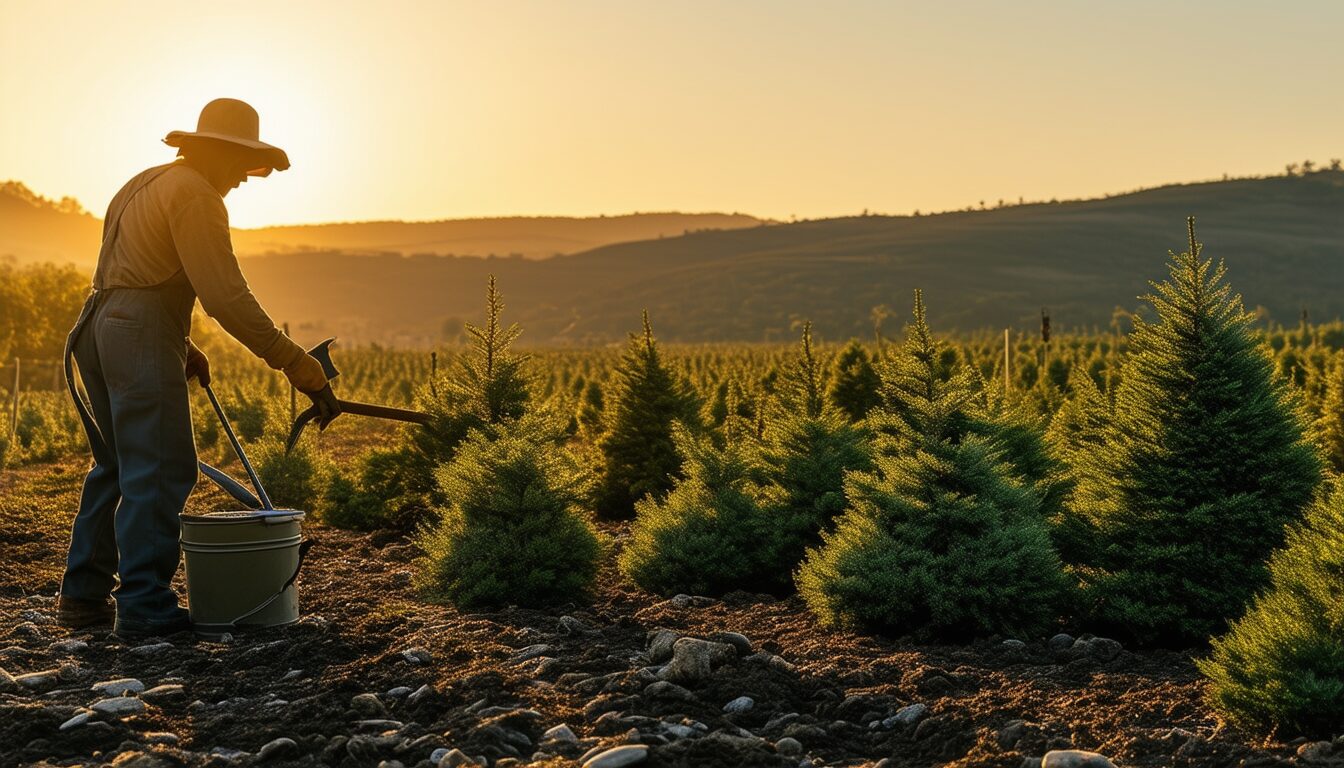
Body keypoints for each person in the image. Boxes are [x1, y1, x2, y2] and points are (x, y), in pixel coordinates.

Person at [56, 98, 338, 638]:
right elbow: (226, 297)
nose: (246, 181)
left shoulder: (146, 181)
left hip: (98, 324)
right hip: (135, 330)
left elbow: (136, 271)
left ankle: (83, 598)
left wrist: (178, 341)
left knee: (116, 466)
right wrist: (297, 365)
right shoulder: (198, 196)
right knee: (161, 467)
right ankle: (143, 603)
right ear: (223, 153)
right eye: (243, 166)